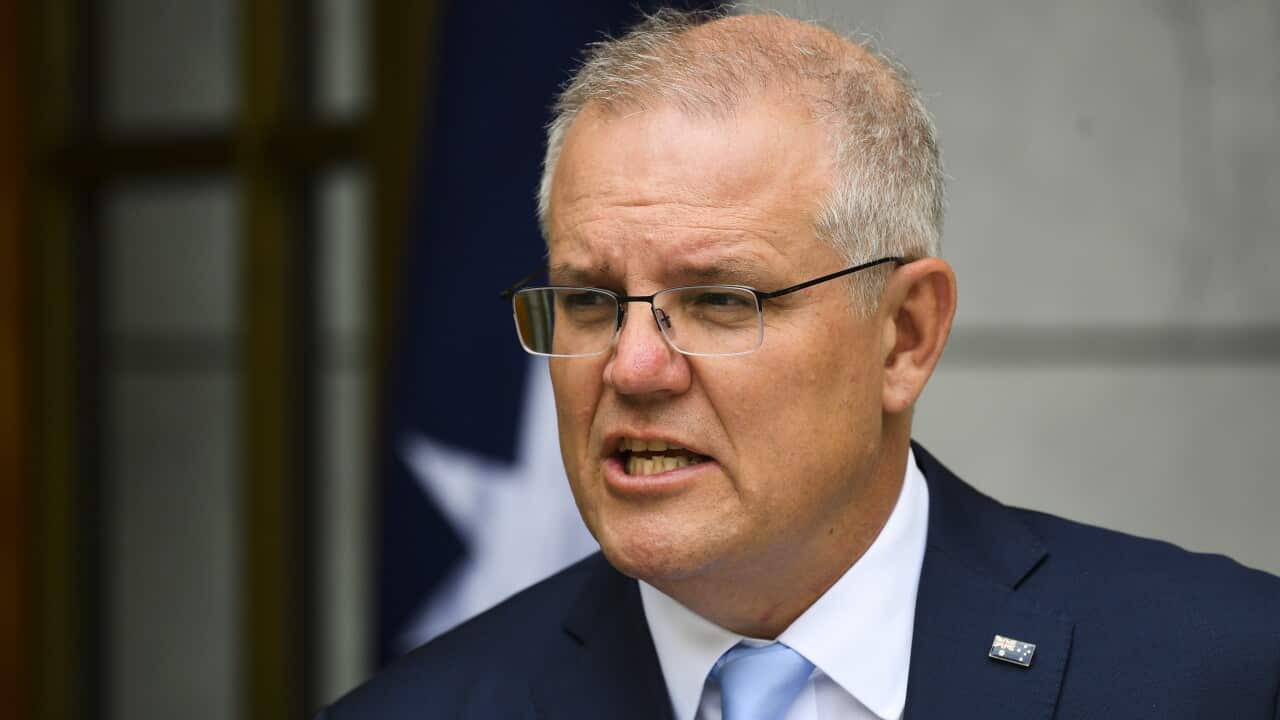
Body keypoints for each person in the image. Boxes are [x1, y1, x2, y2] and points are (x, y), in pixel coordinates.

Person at [322, 9, 1280, 719]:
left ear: (905, 335)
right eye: (590, 302)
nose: (634, 368)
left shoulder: (1223, 671)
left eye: (718, 301)